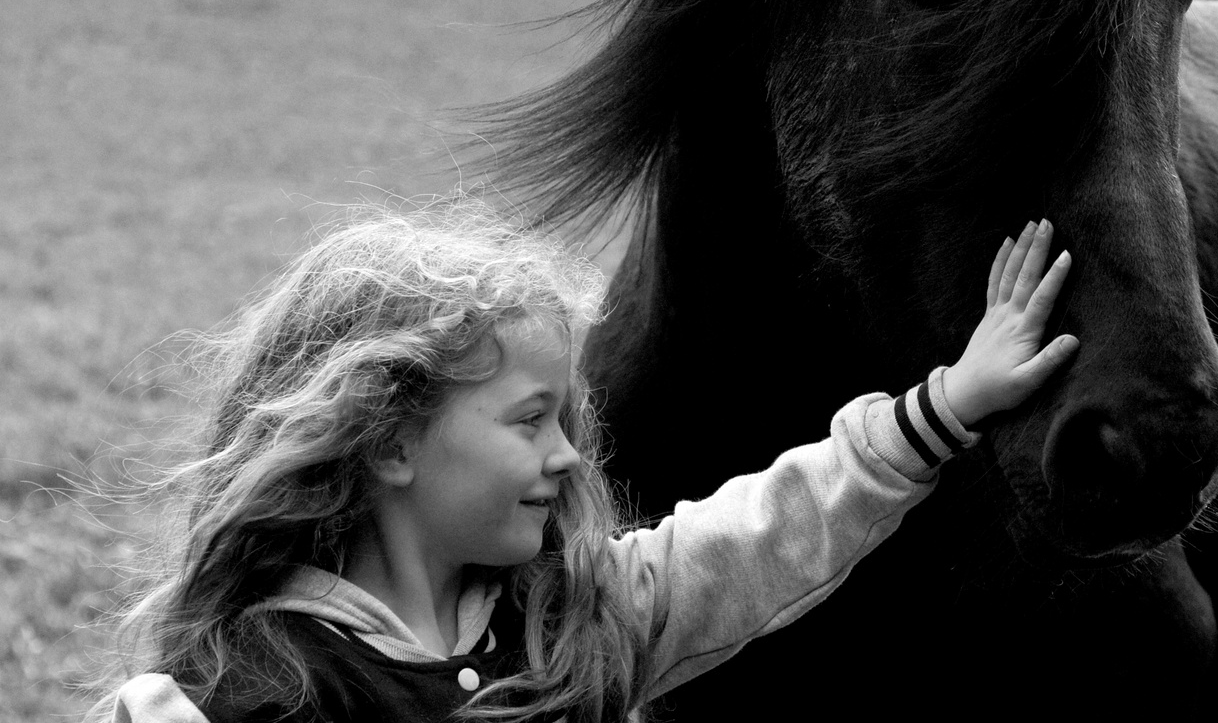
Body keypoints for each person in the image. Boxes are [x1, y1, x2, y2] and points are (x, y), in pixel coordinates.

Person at [97, 200, 1078, 723]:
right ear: (391, 441)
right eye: (530, 421)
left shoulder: (578, 616)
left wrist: (947, 405)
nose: (570, 455)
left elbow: (765, 537)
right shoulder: (262, 692)